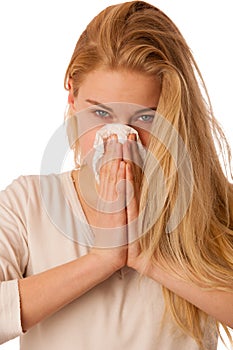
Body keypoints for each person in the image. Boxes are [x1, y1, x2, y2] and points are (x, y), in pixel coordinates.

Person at [0, 1, 233, 349]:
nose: (120, 139)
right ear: (72, 96)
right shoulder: (28, 203)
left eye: (146, 117)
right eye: (100, 113)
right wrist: (102, 260)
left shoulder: (211, 203)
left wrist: (149, 258)